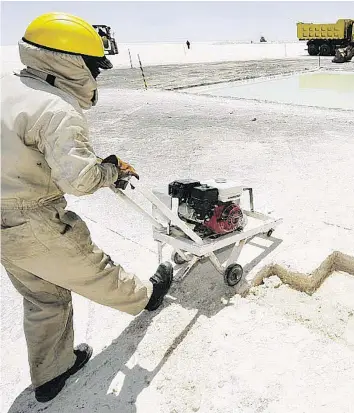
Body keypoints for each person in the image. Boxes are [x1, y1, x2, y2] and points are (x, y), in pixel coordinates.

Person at [1, 12, 174, 403]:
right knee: (94, 268)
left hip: (2, 220)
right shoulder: (56, 109)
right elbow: (78, 179)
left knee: (43, 297)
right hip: (33, 217)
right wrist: (110, 172)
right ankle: (147, 296)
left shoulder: (7, 86)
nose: (96, 75)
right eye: (94, 66)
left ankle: (50, 374)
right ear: (72, 61)